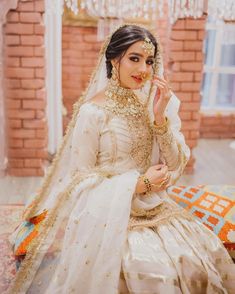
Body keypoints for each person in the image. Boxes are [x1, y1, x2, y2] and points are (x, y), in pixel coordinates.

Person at [9, 24, 235, 294]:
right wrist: (139, 185)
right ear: (114, 59)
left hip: (155, 207)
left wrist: (160, 117)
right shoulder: (92, 112)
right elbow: (79, 181)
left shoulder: (153, 103)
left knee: (198, 258)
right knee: (153, 271)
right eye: (134, 58)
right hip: (109, 212)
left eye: (149, 61)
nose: (143, 70)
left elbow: (175, 164)